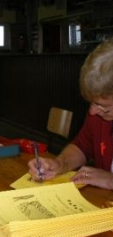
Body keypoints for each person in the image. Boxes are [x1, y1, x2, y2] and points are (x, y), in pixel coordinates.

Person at [28, 40, 113, 191]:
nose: (92, 112)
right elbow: (82, 147)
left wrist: (111, 180)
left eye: (104, 107)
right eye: (91, 103)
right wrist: (60, 164)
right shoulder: (97, 116)